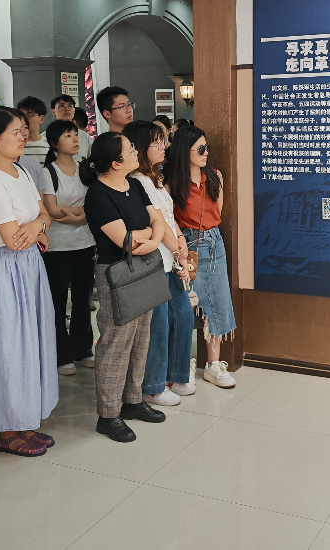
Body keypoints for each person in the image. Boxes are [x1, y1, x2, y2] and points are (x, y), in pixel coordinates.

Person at [0, 106, 58, 456]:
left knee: (31, 342)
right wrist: (37, 229)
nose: (24, 136)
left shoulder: (20, 171)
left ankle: (24, 421)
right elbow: (12, 240)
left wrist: (36, 226)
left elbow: (44, 214)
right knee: (7, 346)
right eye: (16, 132)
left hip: (29, 266)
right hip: (4, 269)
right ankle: (7, 432)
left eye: (24, 130)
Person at [81, 132, 167, 442]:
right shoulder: (98, 195)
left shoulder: (135, 185)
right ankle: (108, 415)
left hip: (143, 267)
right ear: (116, 163)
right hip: (115, 273)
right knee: (115, 343)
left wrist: (151, 239)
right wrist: (148, 236)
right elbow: (126, 242)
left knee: (141, 338)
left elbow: (157, 221)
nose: (135, 152)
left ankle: (132, 401)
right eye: (130, 150)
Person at [126, 121, 195, 406]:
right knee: (159, 324)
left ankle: (176, 375)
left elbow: (170, 216)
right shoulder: (137, 181)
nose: (163, 147)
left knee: (183, 315)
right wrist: (177, 248)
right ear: (141, 148)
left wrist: (181, 243)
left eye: (163, 141)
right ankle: (153, 385)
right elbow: (157, 222)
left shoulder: (154, 177)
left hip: (171, 258)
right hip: (156, 260)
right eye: (157, 143)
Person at [167, 126, 237, 389]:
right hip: (186, 244)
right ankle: (183, 363)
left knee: (218, 300)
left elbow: (218, 212)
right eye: (200, 149)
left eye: (206, 147)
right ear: (184, 151)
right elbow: (167, 217)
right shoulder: (172, 182)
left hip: (214, 241)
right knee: (186, 304)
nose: (206, 152)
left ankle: (213, 365)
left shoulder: (215, 176)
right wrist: (179, 244)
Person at [40, 119, 96, 376]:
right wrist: (82, 214)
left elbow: (94, 202)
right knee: (58, 302)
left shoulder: (86, 169)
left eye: (75, 134)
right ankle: (62, 355)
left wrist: (79, 217)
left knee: (83, 300)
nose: (75, 139)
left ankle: (82, 350)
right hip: (57, 247)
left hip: (85, 243)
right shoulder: (48, 172)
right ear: (54, 143)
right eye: (68, 135)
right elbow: (51, 209)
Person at [50, 94, 93, 161]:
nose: (67, 109)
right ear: (53, 111)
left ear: (74, 111)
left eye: (70, 106)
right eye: (62, 106)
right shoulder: (46, 136)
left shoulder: (84, 137)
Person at [17, 96, 51, 162]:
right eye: (22, 116)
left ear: (41, 119)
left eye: (30, 115)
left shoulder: (50, 145)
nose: (25, 119)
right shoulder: (15, 145)